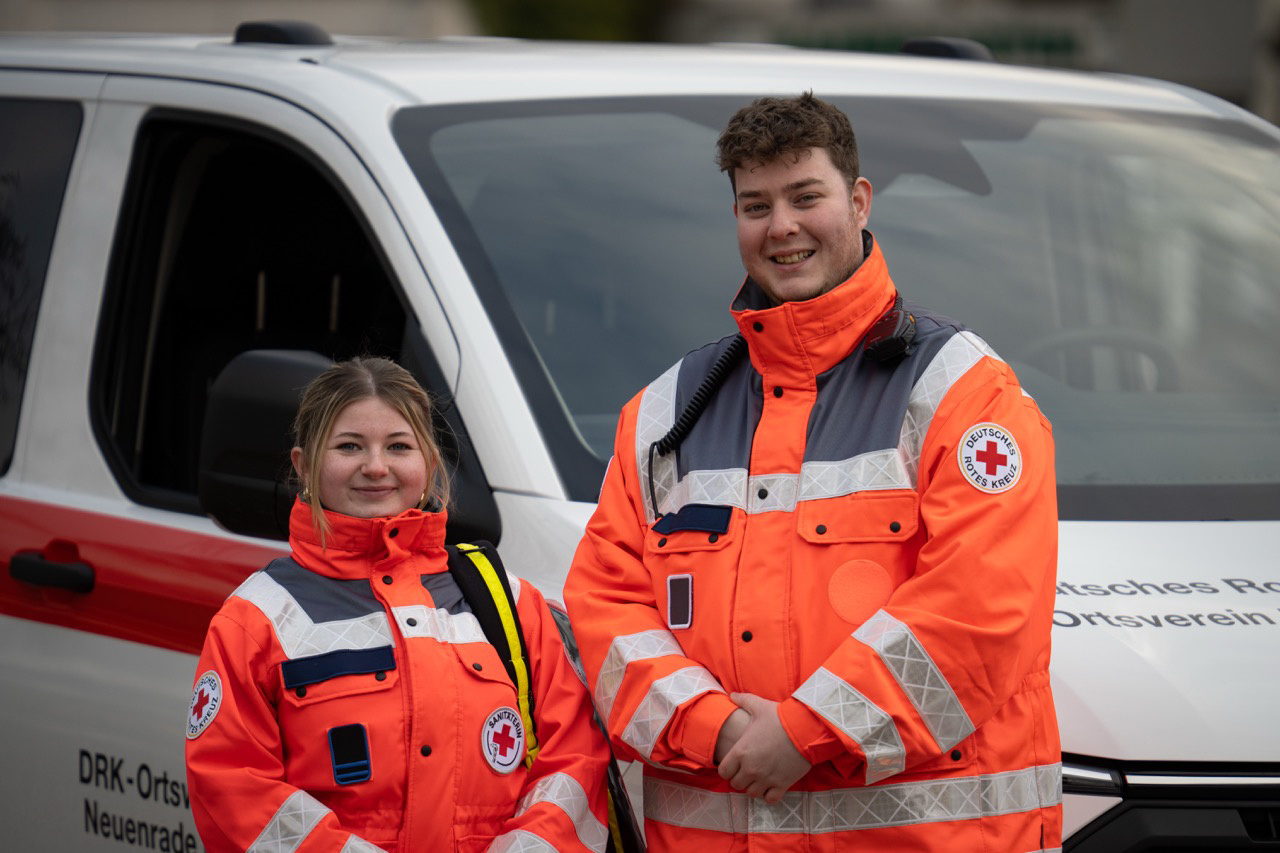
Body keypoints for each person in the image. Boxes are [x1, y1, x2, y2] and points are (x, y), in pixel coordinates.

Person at [564, 92, 1061, 850]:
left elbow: (983, 609)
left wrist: (809, 731)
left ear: (858, 202)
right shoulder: (665, 412)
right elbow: (606, 610)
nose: (781, 226)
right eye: (755, 205)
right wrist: (713, 726)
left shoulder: (962, 392)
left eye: (805, 197)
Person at [186, 356, 612, 853]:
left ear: (429, 463)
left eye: (398, 446)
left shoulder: (510, 602)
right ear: (304, 466)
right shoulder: (256, 618)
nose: (375, 466)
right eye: (349, 446)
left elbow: (576, 760)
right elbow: (232, 787)